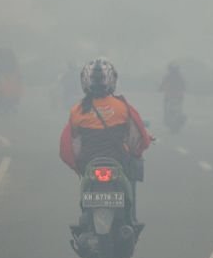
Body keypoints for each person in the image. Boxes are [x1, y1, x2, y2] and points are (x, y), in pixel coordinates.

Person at [60, 58, 151, 222]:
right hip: (118, 161)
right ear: (111, 81)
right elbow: (135, 140)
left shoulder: (77, 110)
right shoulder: (122, 107)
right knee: (134, 169)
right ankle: (131, 219)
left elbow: (73, 142)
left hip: (88, 163)